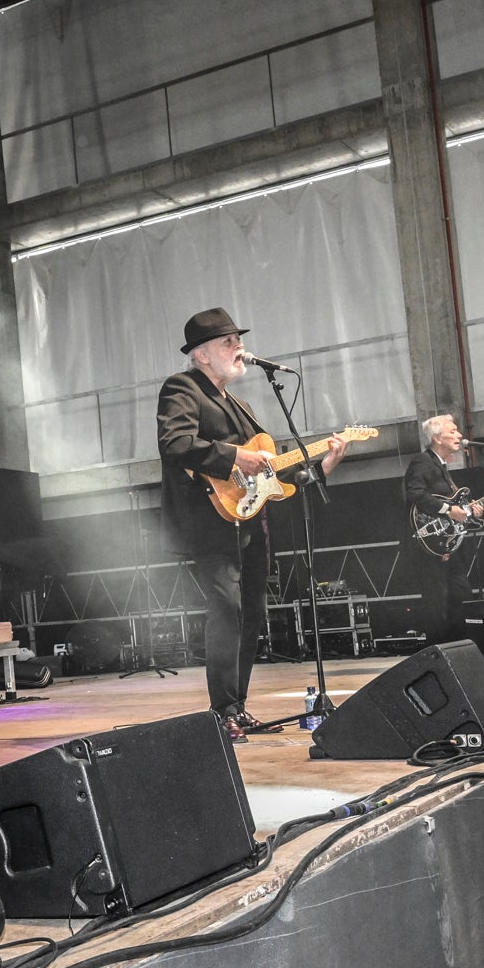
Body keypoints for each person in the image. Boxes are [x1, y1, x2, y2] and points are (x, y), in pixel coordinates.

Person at [158, 308, 345, 743]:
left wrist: (321, 467)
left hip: (251, 525)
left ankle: (236, 708)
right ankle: (221, 711)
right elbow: (176, 442)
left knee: (252, 616)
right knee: (227, 609)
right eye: (228, 342)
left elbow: (271, 476)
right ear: (202, 354)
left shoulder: (240, 405)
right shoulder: (182, 388)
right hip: (210, 522)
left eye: (237, 339)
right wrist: (234, 456)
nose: (238, 347)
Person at [402, 414, 483, 645]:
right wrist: (449, 510)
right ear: (437, 438)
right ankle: (439, 651)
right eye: (453, 431)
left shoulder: (442, 467)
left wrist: (470, 510)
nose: (459, 435)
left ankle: (462, 647)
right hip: (428, 545)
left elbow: (454, 506)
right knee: (437, 601)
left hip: (447, 543)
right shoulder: (423, 462)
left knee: (461, 596)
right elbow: (415, 493)